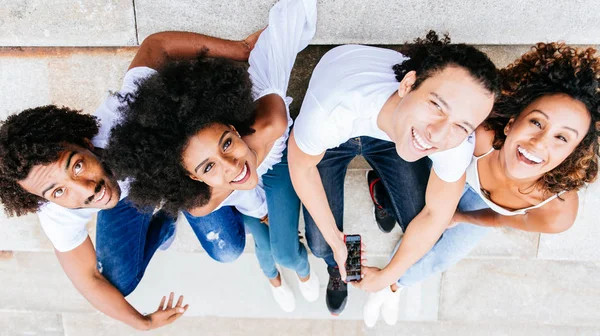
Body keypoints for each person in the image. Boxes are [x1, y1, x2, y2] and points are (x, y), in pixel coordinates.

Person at [0, 29, 263, 330]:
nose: (87, 190)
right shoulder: (54, 212)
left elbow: (157, 45)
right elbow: (87, 279)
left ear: (86, 142)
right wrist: (142, 322)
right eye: (59, 191)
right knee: (118, 283)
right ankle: (163, 225)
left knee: (228, 250)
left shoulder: (119, 117)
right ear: (45, 200)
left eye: (76, 167)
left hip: (182, 175)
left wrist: (241, 49)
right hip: (126, 203)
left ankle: (184, 204)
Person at [104, 0, 319, 313]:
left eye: (227, 143)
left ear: (233, 127)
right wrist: (258, 209)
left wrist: (246, 46)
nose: (231, 164)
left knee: (284, 250)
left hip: (276, 168)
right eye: (207, 166)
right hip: (241, 196)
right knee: (248, 248)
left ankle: (299, 271)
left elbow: (288, 25)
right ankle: (272, 278)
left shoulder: (271, 119)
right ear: (192, 177)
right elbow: (234, 188)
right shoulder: (201, 201)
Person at [364, 42, 600, 326]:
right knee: (417, 220)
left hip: (480, 206)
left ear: (572, 154)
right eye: (537, 123)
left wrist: (462, 217)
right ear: (511, 123)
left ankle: (394, 287)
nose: (538, 143)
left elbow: (503, 220)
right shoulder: (481, 135)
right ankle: (384, 193)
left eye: (562, 138)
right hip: (456, 171)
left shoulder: (557, 212)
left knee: (442, 258)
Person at [288, 31, 500, 316]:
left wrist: (389, 276)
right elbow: (301, 166)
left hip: (396, 130)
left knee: (425, 230)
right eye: (436, 106)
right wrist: (336, 242)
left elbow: (436, 216)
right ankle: (336, 267)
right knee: (318, 242)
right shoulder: (329, 114)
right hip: (340, 134)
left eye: (462, 125)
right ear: (408, 84)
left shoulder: (454, 141)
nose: (439, 133)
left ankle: (382, 191)